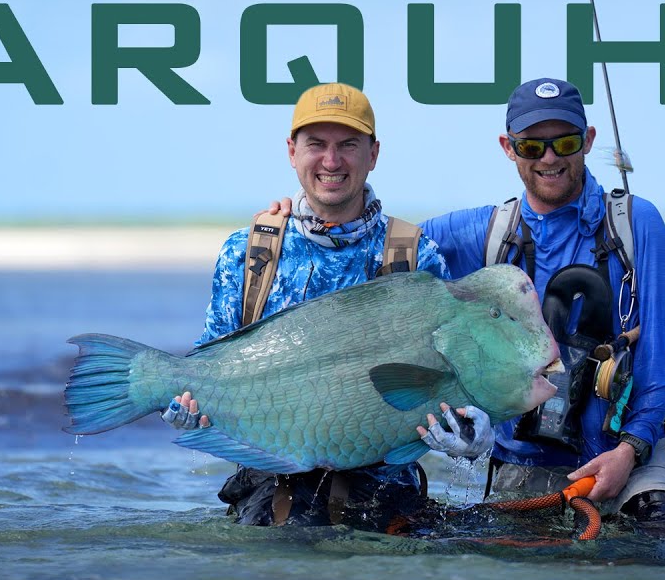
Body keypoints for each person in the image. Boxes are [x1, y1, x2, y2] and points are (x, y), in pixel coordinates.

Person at [163, 82, 453, 529]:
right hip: (270, 484)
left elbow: (443, 379)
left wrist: (467, 429)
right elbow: (211, 357)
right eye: (316, 144)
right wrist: (189, 408)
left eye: (348, 145)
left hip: (385, 489)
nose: (331, 161)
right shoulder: (249, 252)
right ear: (292, 151)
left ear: (373, 154)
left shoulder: (416, 256)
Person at [420, 78, 665, 529]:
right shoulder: (484, 231)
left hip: (635, 455)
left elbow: (664, 357)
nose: (549, 158)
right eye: (532, 147)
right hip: (526, 461)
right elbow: (384, 245)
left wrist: (629, 451)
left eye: (564, 142)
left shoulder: (636, 224)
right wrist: (293, 215)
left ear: (587, 141)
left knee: (662, 545)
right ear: (508, 148)